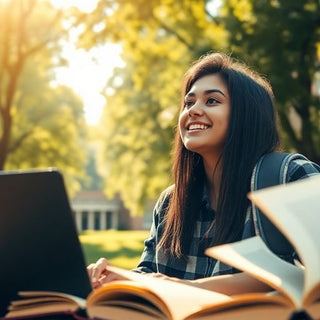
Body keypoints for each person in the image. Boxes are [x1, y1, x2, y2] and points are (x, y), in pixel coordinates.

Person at [87, 52, 320, 294]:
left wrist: (188, 289)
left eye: (212, 101)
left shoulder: (289, 178)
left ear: (246, 116)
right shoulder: (170, 203)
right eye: (189, 102)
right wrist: (111, 280)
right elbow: (150, 275)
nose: (193, 111)